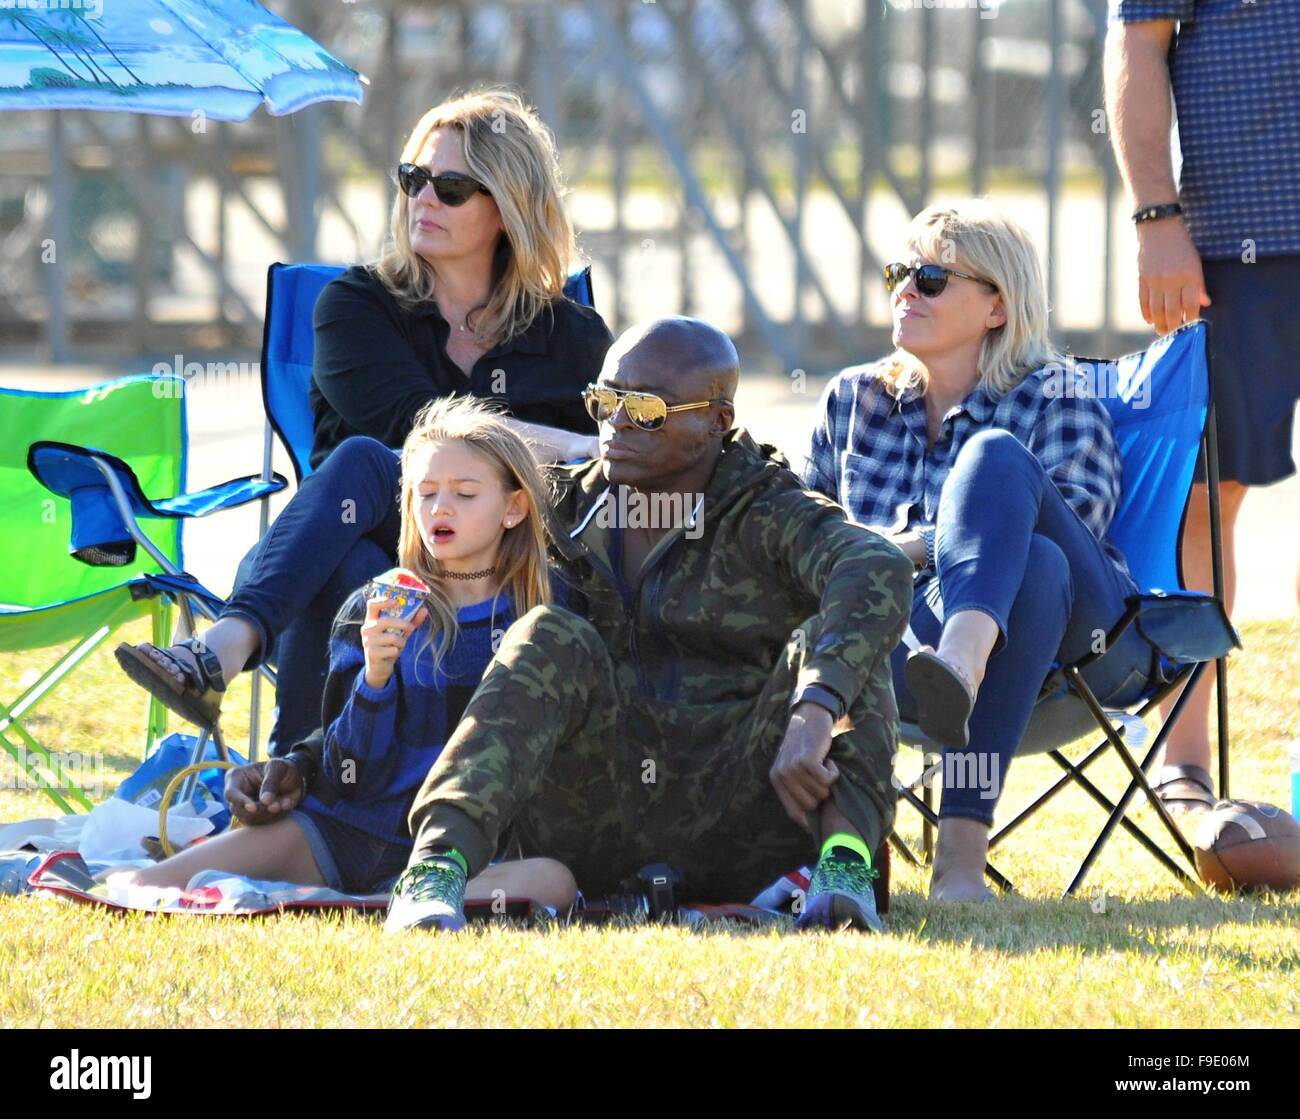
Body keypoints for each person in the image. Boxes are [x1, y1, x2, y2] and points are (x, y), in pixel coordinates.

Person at [230, 317, 915, 933]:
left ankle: (844, 869)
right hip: (598, 809)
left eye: (643, 409)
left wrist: (816, 707)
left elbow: (877, 565)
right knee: (544, 633)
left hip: (746, 798)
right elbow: (465, 651)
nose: (615, 423)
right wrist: (306, 761)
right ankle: (436, 871)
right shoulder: (566, 508)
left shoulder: (768, 507)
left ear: (716, 419)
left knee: (845, 641)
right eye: (605, 401)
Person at [115, 90, 612, 753]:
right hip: (343, 549)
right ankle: (308, 774)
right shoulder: (355, 307)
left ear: (508, 208)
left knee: (363, 471)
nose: (423, 199)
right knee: (362, 523)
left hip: (506, 572)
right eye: (413, 179)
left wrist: (583, 451)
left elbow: (616, 467)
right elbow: (420, 426)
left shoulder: (571, 336)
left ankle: (285, 756)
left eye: (452, 186)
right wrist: (569, 444)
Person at [804, 201, 1156, 901]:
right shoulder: (853, 399)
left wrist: (896, 550)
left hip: (1080, 644)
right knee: (1034, 572)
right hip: (905, 645)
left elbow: (1067, 522)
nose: (906, 289)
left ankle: (964, 667)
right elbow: (800, 538)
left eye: (932, 277)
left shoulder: (1055, 394)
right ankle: (959, 861)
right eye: (899, 272)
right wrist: (907, 559)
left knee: (1002, 472)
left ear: (998, 306)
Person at [114, 398, 576, 914]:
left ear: (514, 508)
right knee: (142, 886)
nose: (439, 509)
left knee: (552, 881)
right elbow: (351, 770)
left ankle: (373, 902)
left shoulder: (545, 614)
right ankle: (366, 901)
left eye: (465, 494)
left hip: (465, 857)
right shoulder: (375, 604)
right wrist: (375, 679)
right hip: (345, 831)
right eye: (424, 494)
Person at [1105, 4, 1300, 812]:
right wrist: (1157, 217)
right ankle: (1184, 761)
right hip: (1233, 241)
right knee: (1200, 498)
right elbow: (1138, 40)